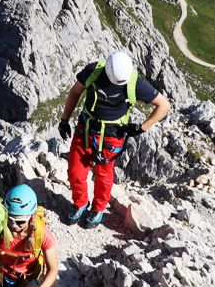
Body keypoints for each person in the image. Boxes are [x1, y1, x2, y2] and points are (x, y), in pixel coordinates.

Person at [57, 49, 171, 226]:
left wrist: (141, 128)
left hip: (111, 136)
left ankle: (98, 209)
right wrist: (64, 120)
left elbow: (164, 105)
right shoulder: (93, 71)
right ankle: (80, 203)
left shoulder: (135, 83)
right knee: (75, 171)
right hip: (86, 130)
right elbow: (74, 92)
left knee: (104, 175)